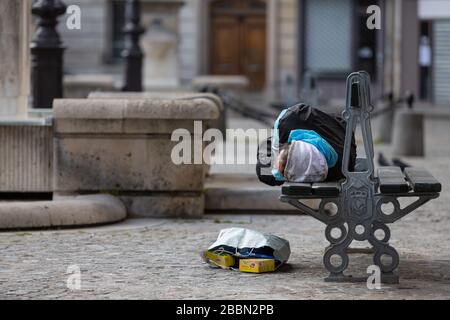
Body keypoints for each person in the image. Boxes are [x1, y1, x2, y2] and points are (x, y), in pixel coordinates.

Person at [257, 103, 357, 186]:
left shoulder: (340, 169)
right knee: (266, 162)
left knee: (264, 171)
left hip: (332, 137)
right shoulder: (291, 120)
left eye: (285, 174)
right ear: (292, 143)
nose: (277, 166)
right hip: (334, 130)